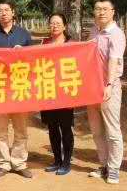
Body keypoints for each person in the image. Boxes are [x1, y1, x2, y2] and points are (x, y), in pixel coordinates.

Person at [0, 0, 33, 178]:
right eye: (0, 10)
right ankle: (3, 163)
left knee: (21, 129)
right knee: (0, 130)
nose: (3, 13)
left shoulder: (24, 34)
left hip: (19, 87)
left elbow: (33, 60)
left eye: (6, 10)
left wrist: (23, 53)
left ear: (13, 12)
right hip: (0, 88)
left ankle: (19, 163)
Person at [85, 0, 125, 184]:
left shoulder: (116, 34)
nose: (101, 12)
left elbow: (114, 61)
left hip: (109, 87)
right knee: (96, 130)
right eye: (98, 9)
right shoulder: (94, 31)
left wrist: (108, 84)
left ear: (112, 12)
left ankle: (114, 168)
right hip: (92, 88)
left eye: (105, 9)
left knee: (112, 130)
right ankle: (104, 165)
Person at [40, 13, 75, 177]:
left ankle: (66, 161)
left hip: (65, 92)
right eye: (52, 23)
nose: (54, 26)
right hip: (48, 91)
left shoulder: (71, 44)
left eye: (58, 23)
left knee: (66, 128)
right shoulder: (44, 43)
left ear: (64, 26)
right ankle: (57, 160)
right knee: (52, 128)